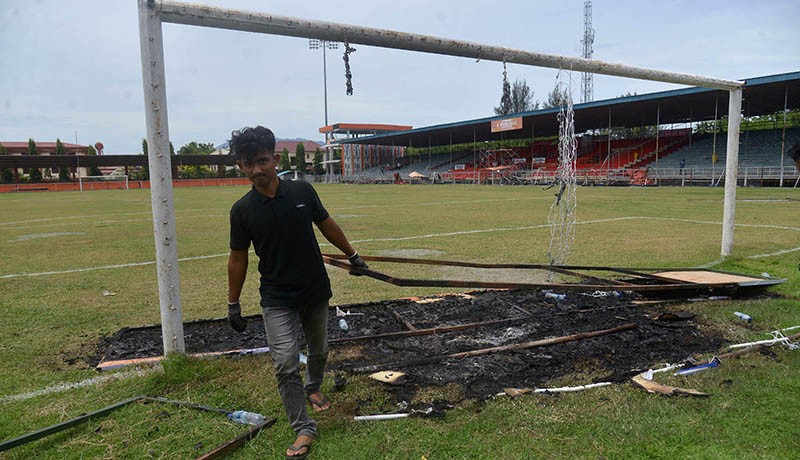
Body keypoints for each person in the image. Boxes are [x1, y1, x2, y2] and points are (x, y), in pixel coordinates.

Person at [226, 126, 368, 459]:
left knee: (318, 351)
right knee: (285, 362)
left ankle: (314, 386)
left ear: (275, 159)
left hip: (314, 289)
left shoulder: (303, 191)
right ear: (241, 166)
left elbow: (327, 224)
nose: (257, 170)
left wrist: (353, 255)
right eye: (249, 164)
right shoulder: (242, 211)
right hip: (276, 296)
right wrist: (233, 303)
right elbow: (237, 257)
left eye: (262, 161)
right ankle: (303, 427)